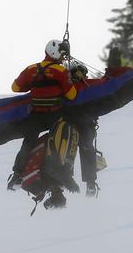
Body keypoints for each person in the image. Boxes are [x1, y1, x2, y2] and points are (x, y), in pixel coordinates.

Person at [6, 39, 77, 207]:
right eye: (62, 55)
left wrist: (32, 85)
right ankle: (57, 185)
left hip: (36, 117)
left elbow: (15, 87)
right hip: (55, 116)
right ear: (56, 53)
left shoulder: (31, 70)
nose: (62, 58)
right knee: (59, 145)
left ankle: (17, 174)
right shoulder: (60, 71)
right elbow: (72, 95)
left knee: (28, 143)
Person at [67, 62, 100, 197]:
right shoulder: (68, 87)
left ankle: (91, 183)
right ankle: (64, 180)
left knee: (86, 147)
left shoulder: (89, 87)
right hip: (71, 124)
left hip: (86, 124)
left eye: (82, 73)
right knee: (66, 150)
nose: (80, 76)